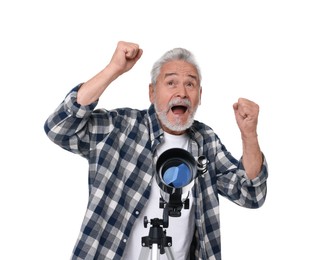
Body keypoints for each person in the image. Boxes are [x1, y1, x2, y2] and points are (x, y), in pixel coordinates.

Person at [44, 41, 268, 260]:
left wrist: (249, 134)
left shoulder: (205, 141)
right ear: (152, 93)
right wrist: (113, 70)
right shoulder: (120, 127)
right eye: (171, 83)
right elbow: (59, 128)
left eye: (190, 84)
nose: (181, 92)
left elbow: (251, 194)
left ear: (200, 95)